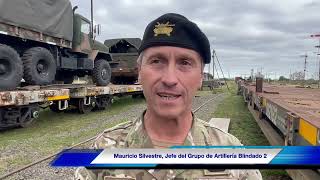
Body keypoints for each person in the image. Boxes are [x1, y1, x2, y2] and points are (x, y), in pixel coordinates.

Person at [75, 13, 262, 180]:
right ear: (140, 72)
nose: (170, 79)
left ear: (200, 77)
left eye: (185, 63)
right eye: (156, 61)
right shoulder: (102, 150)